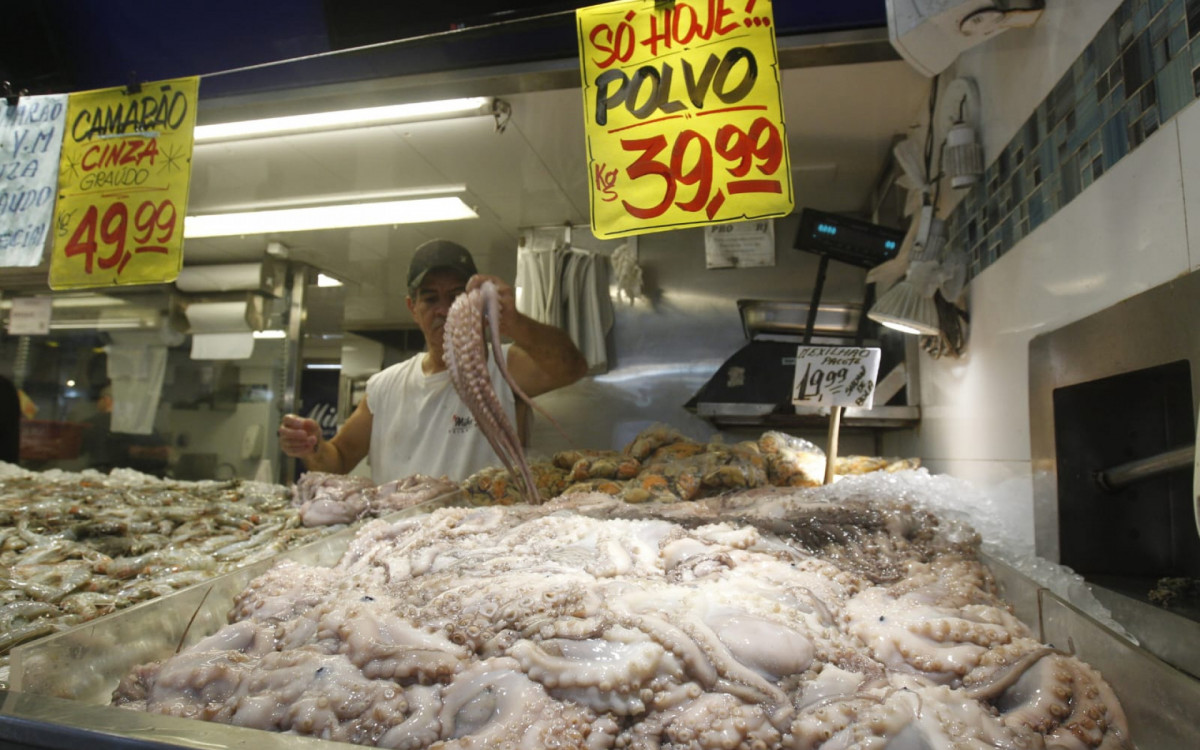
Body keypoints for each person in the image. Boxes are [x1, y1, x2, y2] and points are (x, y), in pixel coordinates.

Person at [278, 239, 587, 484]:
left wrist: (516, 323)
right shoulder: (384, 387)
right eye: (430, 298)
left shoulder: (505, 368)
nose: (444, 309)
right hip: (400, 546)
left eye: (456, 296)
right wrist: (313, 447)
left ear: (474, 301)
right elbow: (339, 460)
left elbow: (572, 367)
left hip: (481, 546)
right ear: (412, 307)